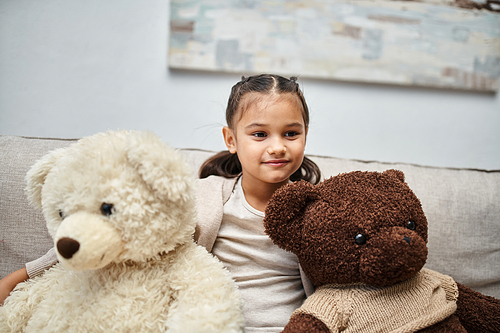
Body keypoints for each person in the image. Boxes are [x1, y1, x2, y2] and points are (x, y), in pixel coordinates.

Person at [0, 74, 321, 332]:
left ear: (305, 134)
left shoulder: (319, 208)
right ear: (231, 140)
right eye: (260, 134)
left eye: (291, 134)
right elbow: (118, 229)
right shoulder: (204, 196)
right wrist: (23, 274)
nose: (278, 147)